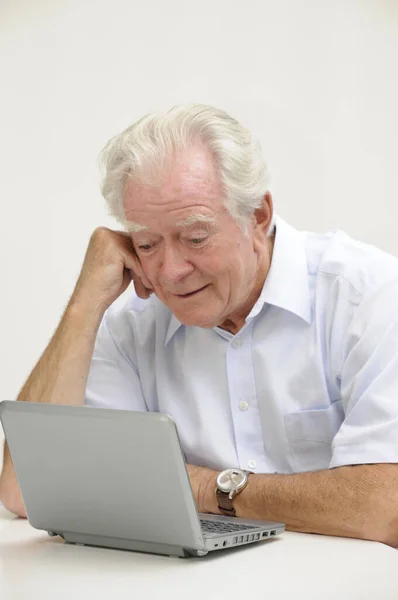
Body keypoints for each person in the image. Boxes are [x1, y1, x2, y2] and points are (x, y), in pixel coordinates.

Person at [1, 104, 398, 546]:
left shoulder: (369, 297)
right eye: (147, 243)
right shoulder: (131, 324)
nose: (170, 271)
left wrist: (207, 486)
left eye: (195, 237)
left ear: (258, 216)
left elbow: (387, 507)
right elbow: (23, 493)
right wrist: (84, 304)